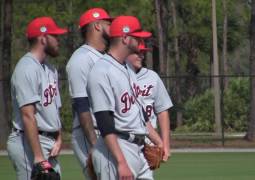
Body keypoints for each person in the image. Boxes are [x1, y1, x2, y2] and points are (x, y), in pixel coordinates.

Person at [87, 15, 163, 180]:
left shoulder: (128, 68)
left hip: (138, 148)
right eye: (136, 37)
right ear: (125, 38)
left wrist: (157, 140)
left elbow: (140, 112)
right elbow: (104, 120)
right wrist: (121, 162)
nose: (140, 42)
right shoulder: (101, 71)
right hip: (117, 150)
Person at [6, 16, 67, 180]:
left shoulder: (50, 69)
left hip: (48, 142)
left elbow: (55, 109)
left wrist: (59, 138)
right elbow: (27, 115)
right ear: (43, 37)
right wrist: (38, 156)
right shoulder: (26, 68)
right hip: (28, 142)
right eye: (55, 36)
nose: (58, 40)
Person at [66, 7, 113, 179]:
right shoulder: (81, 59)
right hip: (90, 133)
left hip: (107, 131)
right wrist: (94, 145)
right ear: (97, 26)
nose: (112, 26)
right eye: (109, 23)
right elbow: (81, 104)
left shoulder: (106, 57)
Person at [126, 42, 173, 161]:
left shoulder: (152, 77)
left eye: (142, 52)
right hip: (126, 139)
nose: (141, 55)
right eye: (137, 52)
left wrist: (165, 146)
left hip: (149, 140)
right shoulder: (118, 75)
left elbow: (163, 111)